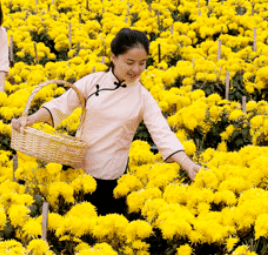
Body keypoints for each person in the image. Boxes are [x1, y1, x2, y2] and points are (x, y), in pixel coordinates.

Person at [11, 29, 203, 216]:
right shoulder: (93, 82)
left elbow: (162, 133)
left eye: (142, 63)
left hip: (109, 176)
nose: (136, 69)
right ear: (114, 57)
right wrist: (31, 119)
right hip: (76, 167)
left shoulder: (143, 97)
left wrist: (187, 165)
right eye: (130, 62)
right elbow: (62, 105)